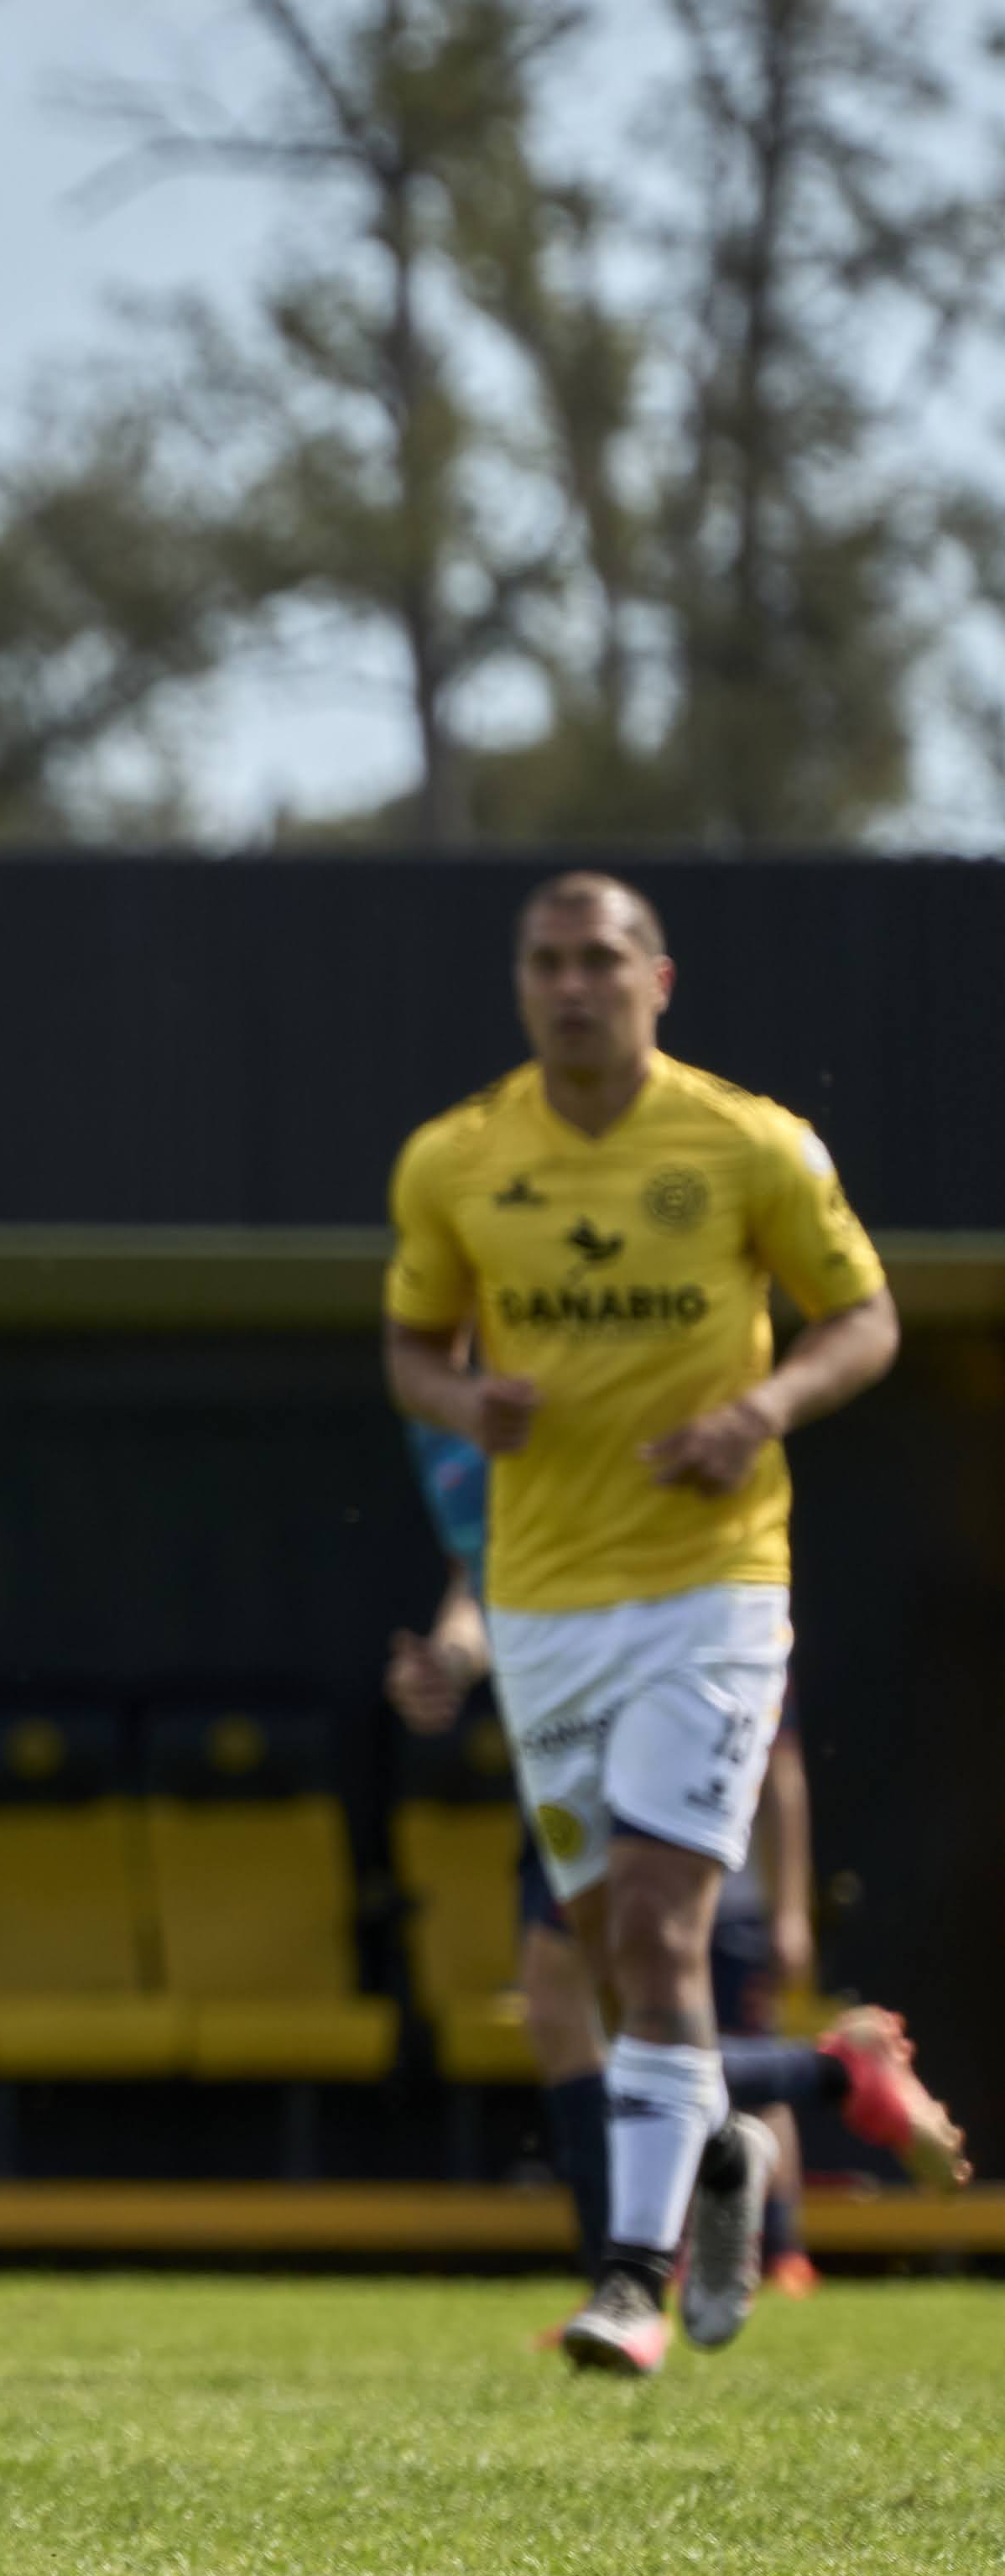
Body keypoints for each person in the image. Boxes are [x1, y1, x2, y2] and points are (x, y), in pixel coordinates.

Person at [383, 872, 898, 2376]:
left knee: (668, 1923)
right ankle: (741, 2140)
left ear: (653, 980)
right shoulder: (459, 1159)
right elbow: (407, 1347)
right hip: (542, 1600)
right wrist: (462, 1397)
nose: (569, 986)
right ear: (518, 984)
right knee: (596, 1945)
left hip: (708, 1586)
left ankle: (625, 2277)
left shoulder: (743, 1143)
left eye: (597, 960)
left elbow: (861, 1315)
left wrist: (760, 1405)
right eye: (543, 962)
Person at [389, 1426, 966, 2313]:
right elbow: (482, 1578)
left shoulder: (593, 1391)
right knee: (607, 2028)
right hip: (564, 1736)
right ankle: (812, 2092)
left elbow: (780, 1756)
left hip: (643, 1732)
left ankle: (634, 2281)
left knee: (579, 2006)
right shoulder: (458, 1410)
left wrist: (785, 1907)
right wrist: (449, 1662)